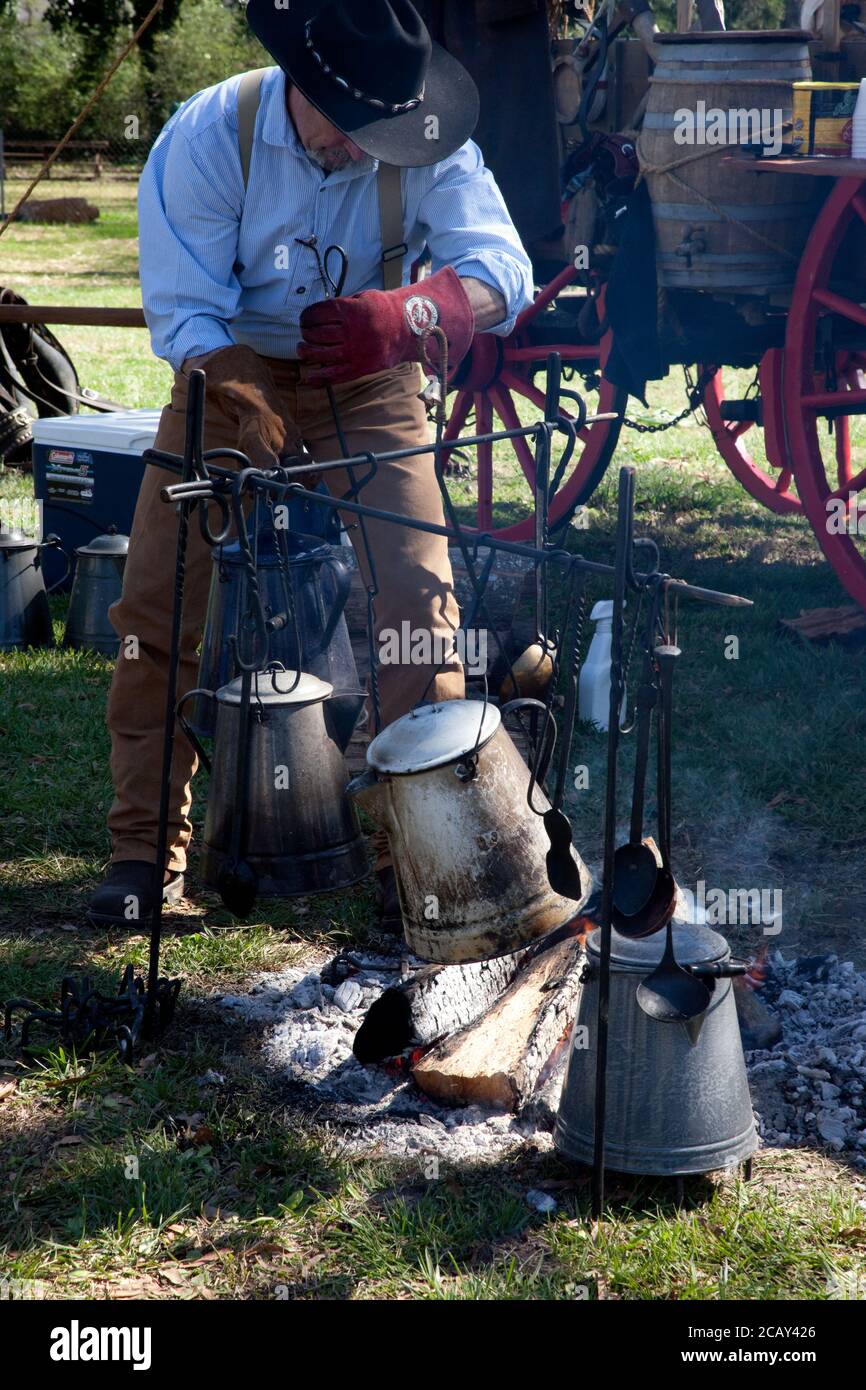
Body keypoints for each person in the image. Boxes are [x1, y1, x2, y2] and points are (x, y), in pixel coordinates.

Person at [88, 0, 533, 930]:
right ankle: (142, 852)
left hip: (367, 376)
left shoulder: (424, 137)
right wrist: (240, 400)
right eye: (352, 128)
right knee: (158, 602)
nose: (370, 148)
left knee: (418, 600)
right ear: (304, 87)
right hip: (229, 366)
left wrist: (413, 315)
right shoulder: (211, 136)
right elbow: (187, 314)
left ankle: (417, 848)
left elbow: (505, 266)